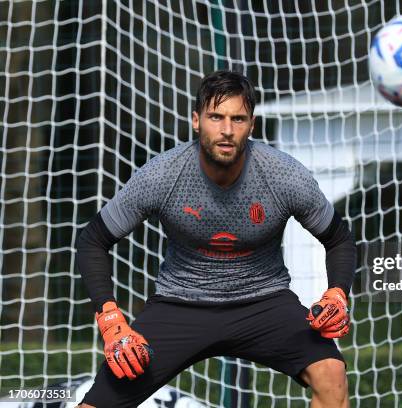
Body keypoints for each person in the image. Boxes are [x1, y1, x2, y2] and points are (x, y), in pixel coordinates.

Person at [75, 70, 356, 408]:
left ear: (251, 125)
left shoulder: (285, 175)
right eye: (215, 117)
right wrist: (110, 320)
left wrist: (337, 293)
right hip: (180, 304)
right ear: (196, 121)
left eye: (238, 119)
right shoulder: (163, 175)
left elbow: (338, 238)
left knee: (332, 375)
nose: (226, 130)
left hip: (264, 302)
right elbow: (93, 240)